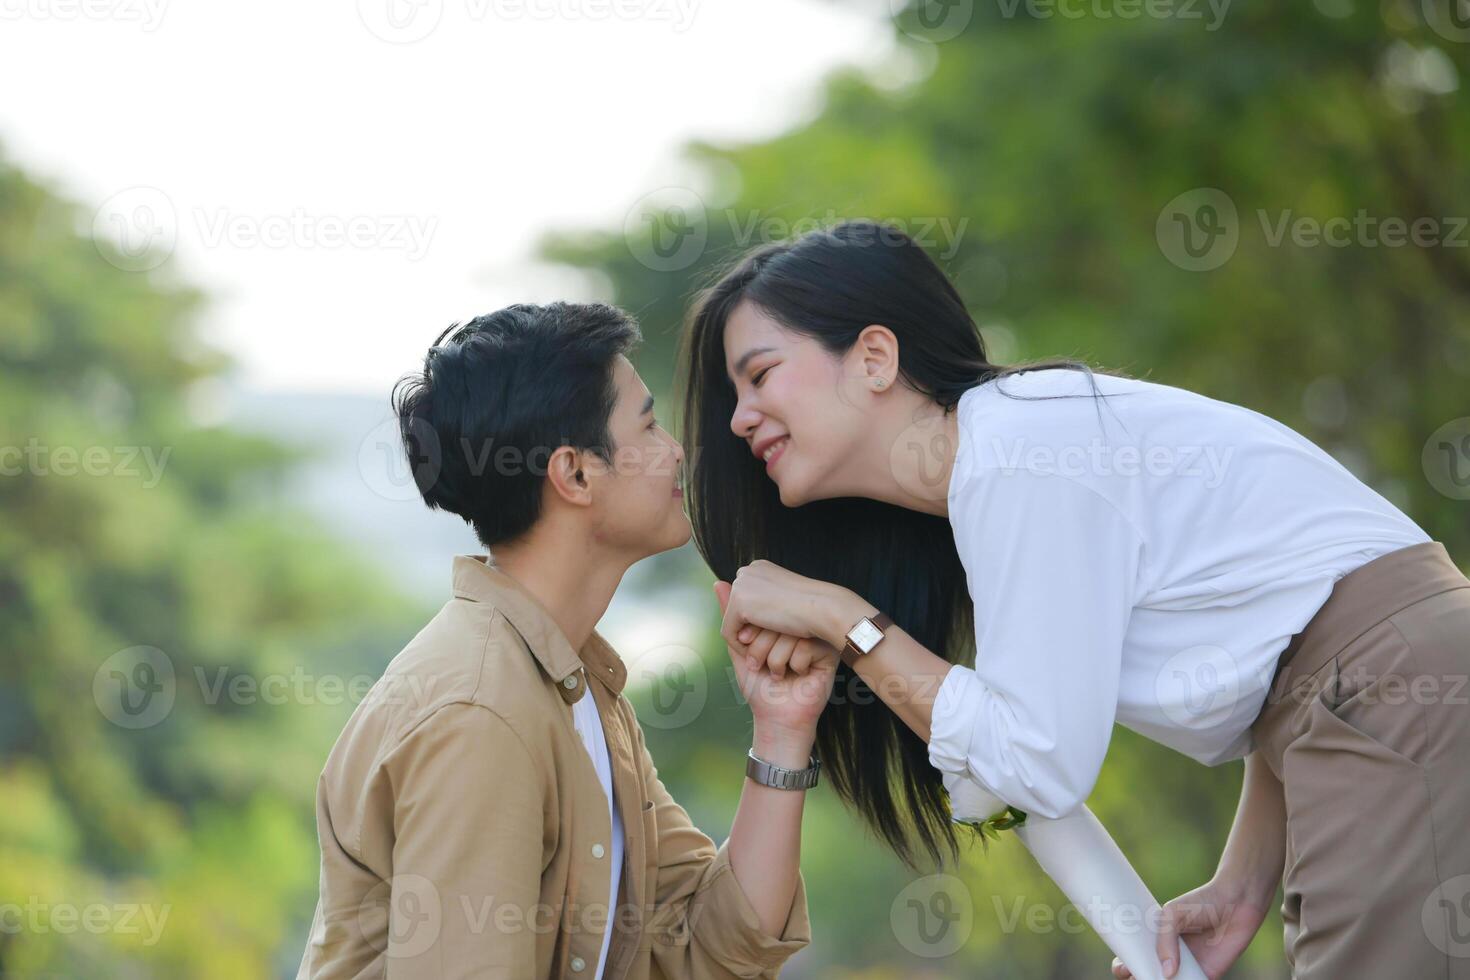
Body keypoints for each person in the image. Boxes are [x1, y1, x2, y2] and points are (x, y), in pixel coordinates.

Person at [677, 220, 1470, 979]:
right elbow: (1289, 634)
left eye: (760, 374)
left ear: (875, 357)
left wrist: (838, 618)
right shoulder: (1009, 462)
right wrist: (1242, 881)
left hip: (1399, 696)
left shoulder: (1021, 455)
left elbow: (1038, 764)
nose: (742, 418)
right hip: (1375, 699)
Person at [297, 302, 825, 979]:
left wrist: (782, 732)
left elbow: (707, 943)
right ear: (576, 474)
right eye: (648, 423)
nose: (675, 450)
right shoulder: (483, 714)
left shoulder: (573, 684)